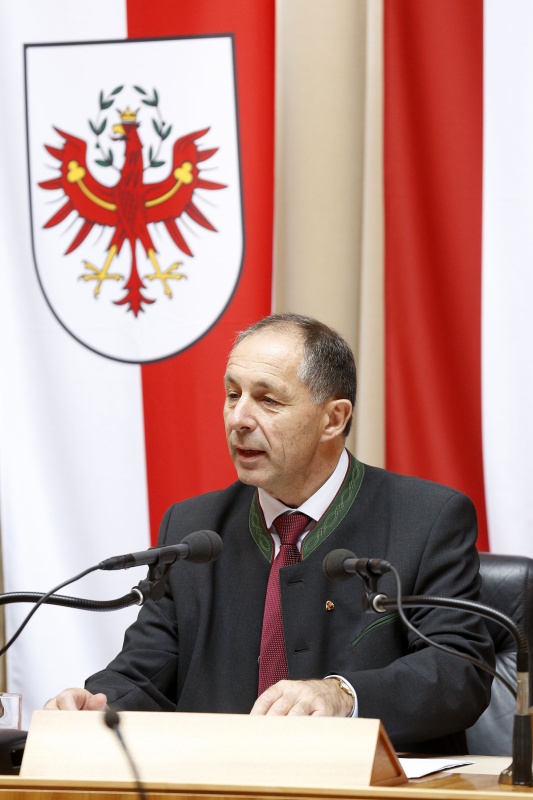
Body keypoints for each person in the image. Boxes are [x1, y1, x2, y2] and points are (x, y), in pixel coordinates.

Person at [45, 313, 493, 753]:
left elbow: (459, 671)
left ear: (333, 419)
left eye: (268, 400)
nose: (238, 418)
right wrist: (95, 704)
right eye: (232, 394)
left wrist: (343, 695)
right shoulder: (192, 528)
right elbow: (143, 672)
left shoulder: (427, 518)